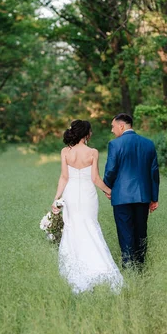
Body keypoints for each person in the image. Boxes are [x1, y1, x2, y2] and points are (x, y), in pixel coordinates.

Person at [52, 120, 123, 293]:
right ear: (87, 134)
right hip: (87, 195)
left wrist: (56, 199)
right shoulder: (92, 152)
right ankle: (99, 268)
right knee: (90, 226)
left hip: (70, 195)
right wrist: (110, 191)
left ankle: (74, 271)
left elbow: (64, 177)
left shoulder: (65, 152)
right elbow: (95, 179)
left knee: (73, 228)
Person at [103, 113, 160, 269]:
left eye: (113, 127)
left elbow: (110, 171)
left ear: (122, 126)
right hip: (143, 196)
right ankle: (141, 266)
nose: (112, 131)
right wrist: (154, 198)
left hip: (121, 196)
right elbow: (154, 172)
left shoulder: (115, 144)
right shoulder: (148, 144)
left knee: (125, 231)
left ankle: (128, 265)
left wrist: (107, 188)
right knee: (141, 231)